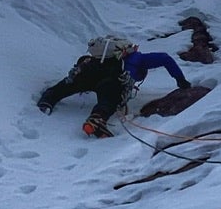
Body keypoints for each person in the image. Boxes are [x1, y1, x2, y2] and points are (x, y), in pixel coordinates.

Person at [36, 36, 191, 138]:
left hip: (88, 74)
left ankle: (47, 101)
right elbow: (164, 58)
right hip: (111, 80)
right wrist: (181, 81)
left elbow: (70, 80)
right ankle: (97, 119)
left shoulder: (92, 61)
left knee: (64, 88)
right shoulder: (134, 59)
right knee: (108, 101)